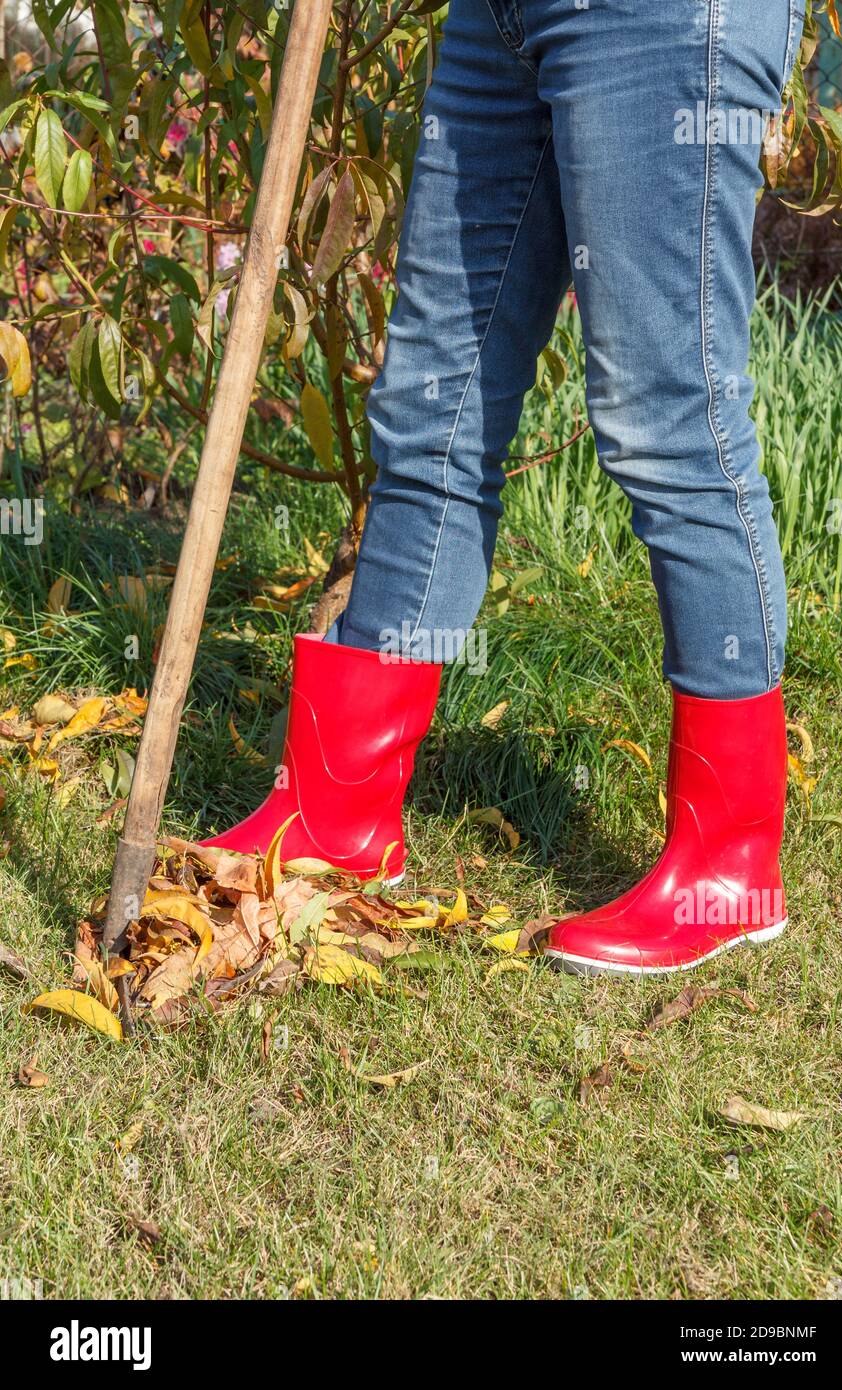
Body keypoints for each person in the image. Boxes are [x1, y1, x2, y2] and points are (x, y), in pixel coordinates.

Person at [205, 0, 806, 975]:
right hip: (498, 15)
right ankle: (339, 809)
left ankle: (725, 871)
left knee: (667, 417)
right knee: (430, 397)